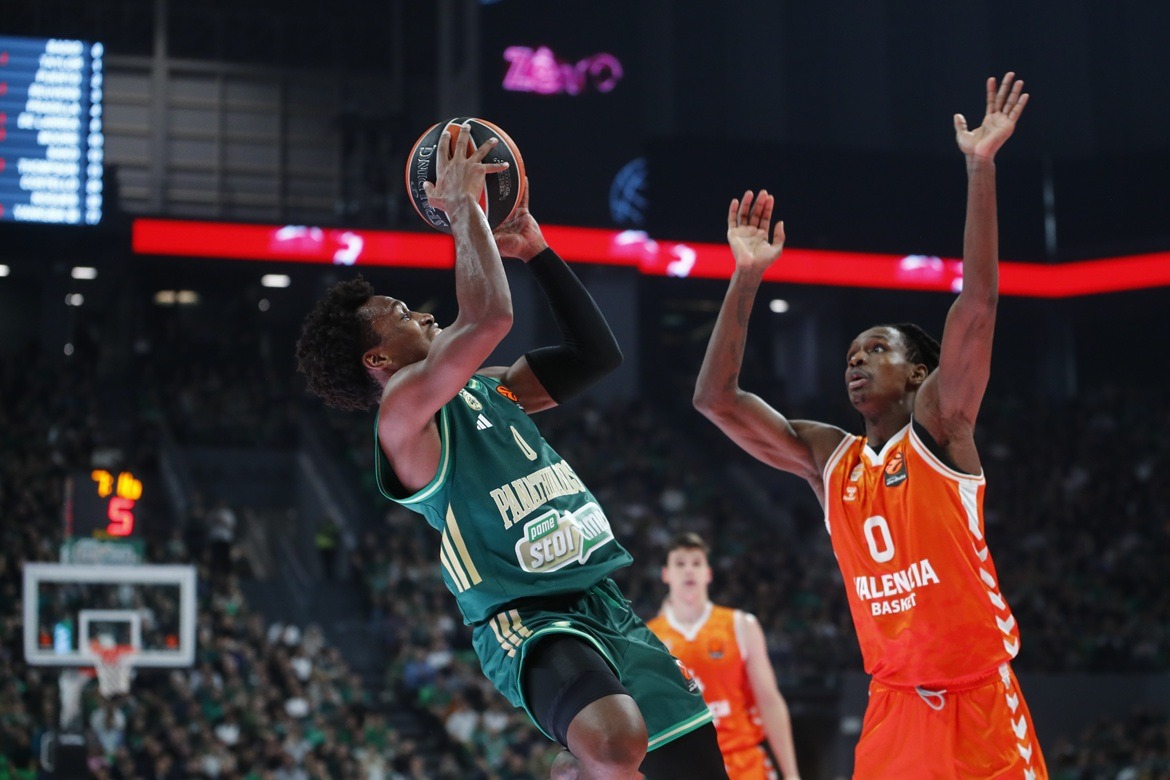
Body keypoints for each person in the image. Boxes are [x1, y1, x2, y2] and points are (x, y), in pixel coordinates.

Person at [296, 121, 727, 779]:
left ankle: (576, 767)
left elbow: (595, 355)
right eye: (404, 315)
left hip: (603, 603)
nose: (424, 315)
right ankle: (575, 767)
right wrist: (461, 206)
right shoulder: (402, 416)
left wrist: (538, 251)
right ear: (378, 359)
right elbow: (490, 318)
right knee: (616, 744)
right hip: (527, 620)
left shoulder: (491, 388)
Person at [692, 75, 1047, 778]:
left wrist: (981, 168)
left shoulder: (942, 426)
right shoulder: (831, 459)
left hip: (978, 702)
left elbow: (977, 306)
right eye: (851, 355)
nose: (856, 362)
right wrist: (746, 276)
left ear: (919, 373)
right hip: (893, 707)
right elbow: (715, 400)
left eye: (876, 350)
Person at [646, 532, 800, 780]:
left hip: (742, 763)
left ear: (708, 573)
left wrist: (792, 775)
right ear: (666, 574)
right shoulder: (649, 637)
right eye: (680, 563)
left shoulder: (741, 625)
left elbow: (770, 702)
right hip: (684, 768)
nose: (689, 570)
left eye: (696, 563)